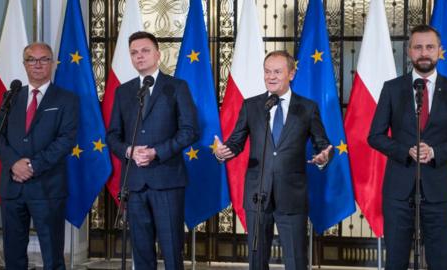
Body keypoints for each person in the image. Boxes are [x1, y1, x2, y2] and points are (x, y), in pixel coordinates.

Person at [216, 50, 333, 270]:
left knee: (296, 259)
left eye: (277, 72)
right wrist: (223, 152)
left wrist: (322, 157)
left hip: (292, 194)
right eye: (267, 71)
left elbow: (322, 143)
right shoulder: (252, 106)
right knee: (257, 259)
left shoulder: (307, 108)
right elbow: (236, 142)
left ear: (291, 73)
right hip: (257, 193)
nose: (271, 76)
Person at [368, 25, 447, 270]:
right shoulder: (392, 89)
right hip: (399, 190)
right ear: (409, 51)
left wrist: (436, 152)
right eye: (418, 47)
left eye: (429, 47)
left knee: (439, 260)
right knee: (396, 261)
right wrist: (406, 151)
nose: (424, 52)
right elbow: (375, 136)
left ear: (439, 51)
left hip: (440, 191)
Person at [106, 31, 199, 270]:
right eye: (134, 53)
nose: (140, 56)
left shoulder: (177, 87)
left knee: (171, 250)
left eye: (145, 51)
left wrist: (157, 152)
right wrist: (128, 151)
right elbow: (113, 136)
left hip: (167, 180)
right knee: (141, 252)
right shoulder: (124, 91)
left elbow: (189, 131)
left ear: (158, 54)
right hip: (134, 183)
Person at [0, 43, 78, 269]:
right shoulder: (11, 96)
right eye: (32, 59)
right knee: (13, 257)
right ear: (24, 64)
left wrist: (32, 166)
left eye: (43, 59)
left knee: (52, 258)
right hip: (13, 188)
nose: (37, 64)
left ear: (52, 63)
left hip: (47, 188)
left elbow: (65, 140)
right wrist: (13, 164)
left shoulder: (67, 99)